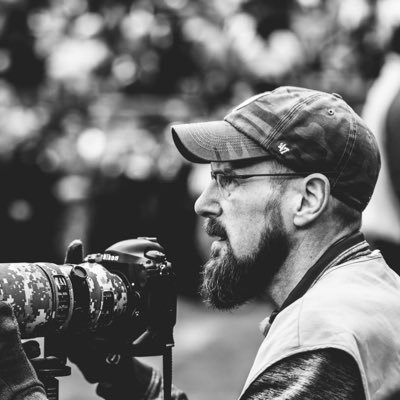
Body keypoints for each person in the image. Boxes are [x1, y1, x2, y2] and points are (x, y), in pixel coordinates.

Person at [2, 86, 400, 400]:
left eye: (228, 179)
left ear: (308, 199)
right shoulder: (369, 294)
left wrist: (18, 386)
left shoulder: (318, 337)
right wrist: (120, 375)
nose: (202, 203)